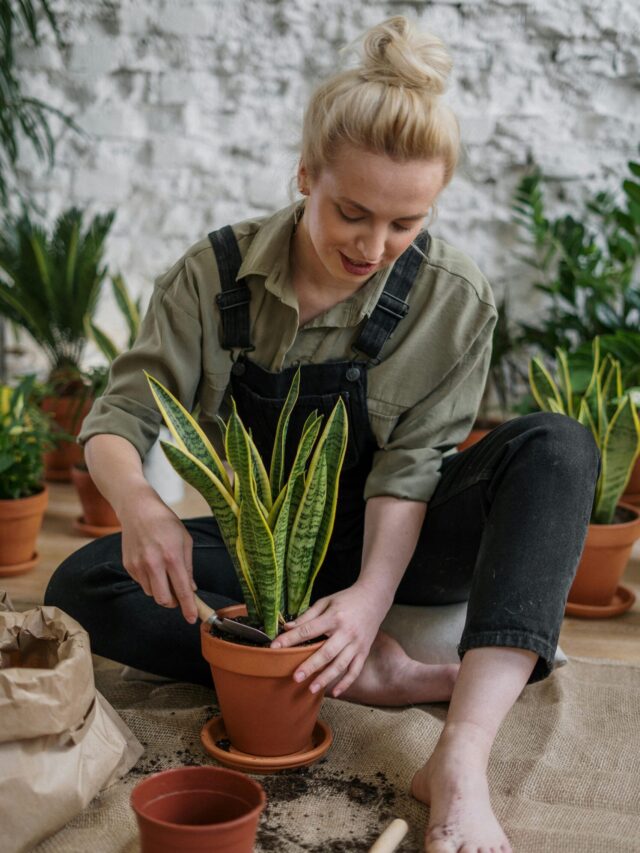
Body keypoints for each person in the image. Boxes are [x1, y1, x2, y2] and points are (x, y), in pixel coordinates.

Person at [45, 16, 599, 853]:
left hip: (404, 542)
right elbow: (119, 418)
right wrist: (139, 506)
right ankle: (366, 672)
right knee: (83, 584)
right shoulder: (212, 278)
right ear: (305, 175)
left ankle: (458, 756)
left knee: (561, 447)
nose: (375, 247)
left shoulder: (455, 299)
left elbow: (412, 470)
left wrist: (371, 597)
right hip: (265, 558)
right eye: (352, 212)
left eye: (407, 223)